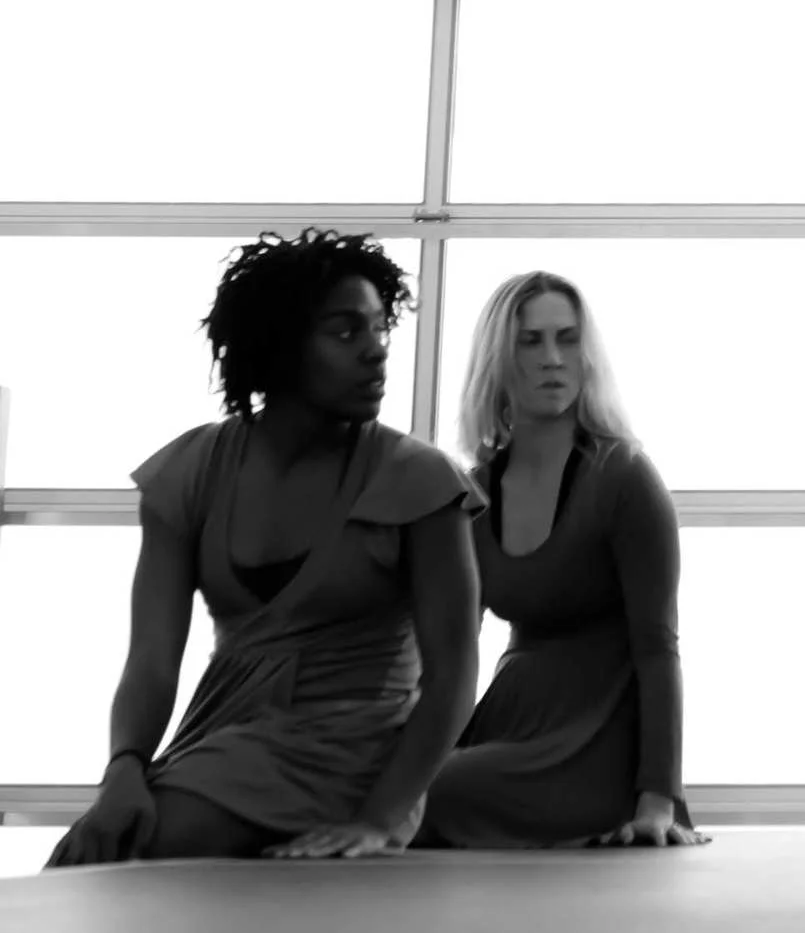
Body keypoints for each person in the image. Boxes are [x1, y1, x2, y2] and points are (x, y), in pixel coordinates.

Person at [46, 231, 483, 866]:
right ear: (278, 346)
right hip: (223, 740)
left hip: (357, 758)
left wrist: (379, 821)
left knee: (134, 850)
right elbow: (151, 660)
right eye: (345, 332)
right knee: (93, 847)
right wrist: (125, 768)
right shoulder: (190, 472)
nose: (376, 351)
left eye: (379, 328)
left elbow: (454, 677)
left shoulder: (420, 481)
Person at [415, 271, 704, 849]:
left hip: (595, 743)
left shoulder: (625, 478)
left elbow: (658, 648)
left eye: (567, 339)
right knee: (391, 785)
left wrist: (658, 799)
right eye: (531, 341)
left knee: (435, 793)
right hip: (511, 721)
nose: (552, 358)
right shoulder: (474, 493)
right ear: (499, 359)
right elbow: (450, 653)